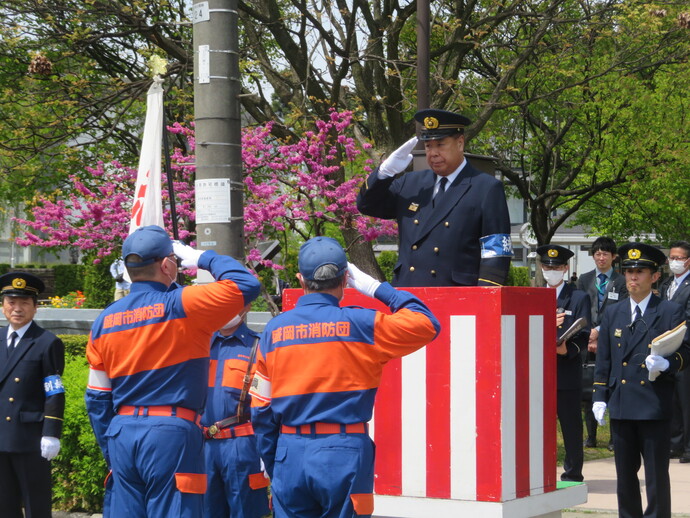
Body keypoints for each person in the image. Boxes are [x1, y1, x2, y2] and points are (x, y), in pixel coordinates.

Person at [250, 236, 440, 517]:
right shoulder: (362, 324)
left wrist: (276, 461)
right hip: (344, 452)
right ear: (345, 280)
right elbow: (426, 323)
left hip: (290, 451)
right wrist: (377, 288)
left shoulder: (274, 332)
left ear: (301, 280)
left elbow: (260, 408)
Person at [85, 225, 261, 518]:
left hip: (121, 433)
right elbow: (245, 283)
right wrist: (201, 257)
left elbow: (97, 398)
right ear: (167, 265)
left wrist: (111, 449)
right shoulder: (184, 304)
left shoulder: (104, 320)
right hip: (171, 432)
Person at [356, 109, 513, 287]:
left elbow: (496, 252)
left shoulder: (485, 188)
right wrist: (385, 173)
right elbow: (367, 205)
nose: (433, 153)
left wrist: (485, 298)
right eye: (428, 146)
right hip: (409, 294)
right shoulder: (411, 182)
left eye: (440, 144)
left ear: (460, 143)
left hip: (456, 299)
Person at [592, 242, 690, 518]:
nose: (633, 277)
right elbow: (605, 359)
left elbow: (686, 351)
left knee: (656, 475)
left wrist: (667, 363)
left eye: (641, 271)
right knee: (625, 475)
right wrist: (600, 397)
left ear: (655, 276)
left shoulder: (669, 311)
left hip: (654, 404)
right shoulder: (614, 312)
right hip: (623, 404)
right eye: (628, 271)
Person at [0, 272, 65, 518]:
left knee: (36, 504)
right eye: (11, 302)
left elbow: (54, 391)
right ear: (3, 305)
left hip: (29, 438)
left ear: (35, 308)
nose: (17, 309)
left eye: (24, 303)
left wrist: (51, 433)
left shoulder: (46, 342)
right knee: (4, 505)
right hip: (1, 436)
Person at [202, 304, 270, 518]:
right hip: (203, 447)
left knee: (245, 512)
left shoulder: (258, 347)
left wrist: (267, 453)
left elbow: (268, 406)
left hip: (242, 448)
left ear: (247, 307)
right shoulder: (200, 345)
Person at [537, 245, 591, 482]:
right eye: (548, 267)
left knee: (570, 425)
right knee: (538, 427)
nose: (552, 271)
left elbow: (584, 332)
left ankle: (572, 472)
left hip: (565, 370)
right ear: (541, 268)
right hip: (538, 371)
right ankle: (539, 471)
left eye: (557, 267)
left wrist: (565, 348)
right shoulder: (533, 295)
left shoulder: (578, 297)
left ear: (565, 268)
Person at [576, 236, 627, 449]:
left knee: (613, 388)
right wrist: (589, 333)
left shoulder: (622, 281)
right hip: (588, 341)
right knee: (589, 389)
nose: (601, 257)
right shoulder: (584, 279)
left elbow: (619, 312)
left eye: (605, 253)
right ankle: (591, 436)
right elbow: (581, 307)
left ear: (613, 257)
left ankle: (614, 439)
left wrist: (599, 331)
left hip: (612, 339)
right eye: (597, 254)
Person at [660, 240, 690, 463]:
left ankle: (688, 446)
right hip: (667, 348)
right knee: (672, 398)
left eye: (678, 258)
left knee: (686, 399)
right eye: (672, 257)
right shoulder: (666, 284)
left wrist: (678, 340)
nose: (674, 261)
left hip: (685, 347)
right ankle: (675, 443)